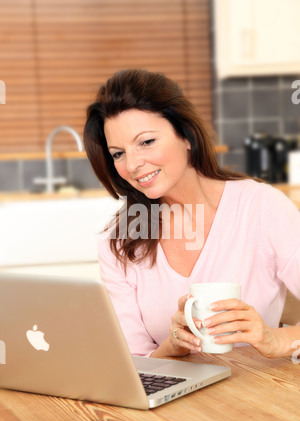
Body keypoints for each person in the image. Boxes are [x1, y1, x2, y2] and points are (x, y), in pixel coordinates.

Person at [84, 68, 300, 360]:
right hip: (172, 402)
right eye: (118, 153)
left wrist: (276, 339)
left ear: (186, 135)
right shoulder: (120, 240)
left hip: (255, 395)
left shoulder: (262, 207)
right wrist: (171, 347)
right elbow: (133, 362)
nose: (133, 164)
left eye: (146, 142)